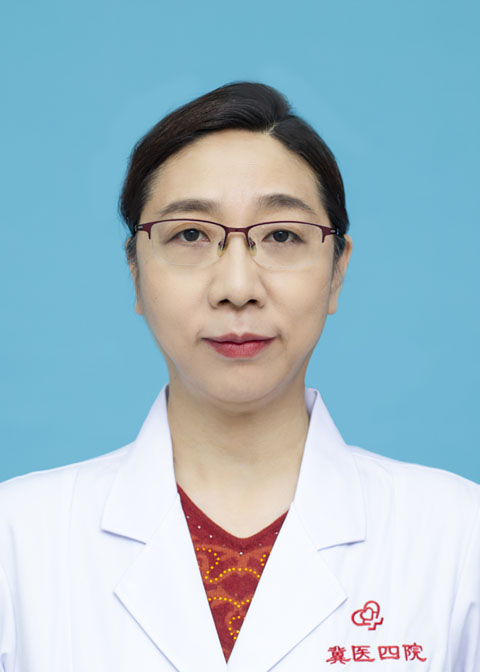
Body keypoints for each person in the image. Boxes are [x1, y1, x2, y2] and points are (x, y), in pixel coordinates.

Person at [0, 81, 479, 671]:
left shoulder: (459, 537)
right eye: (190, 235)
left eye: (281, 235)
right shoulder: (17, 540)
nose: (237, 288)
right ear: (135, 272)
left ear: (337, 272)